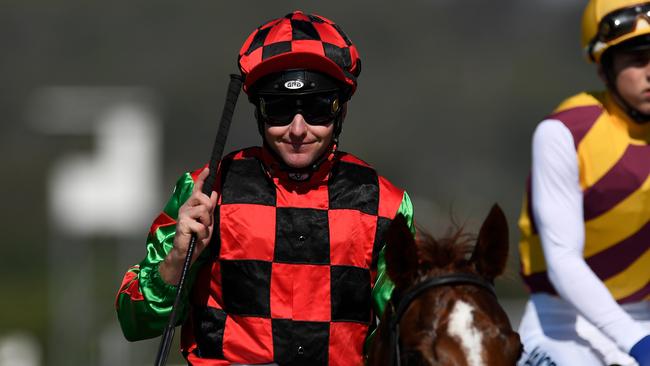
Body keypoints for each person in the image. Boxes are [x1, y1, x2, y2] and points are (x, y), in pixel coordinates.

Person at [115, 10, 414, 365]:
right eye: (280, 109)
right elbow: (134, 320)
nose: (298, 129)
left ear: (342, 110)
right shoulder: (206, 190)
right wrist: (180, 257)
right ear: (258, 111)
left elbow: (407, 328)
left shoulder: (387, 205)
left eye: (317, 107)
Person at [517, 1, 650, 365]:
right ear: (605, 69)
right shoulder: (564, 133)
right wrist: (638, 343)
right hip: (563, 325)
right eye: (638, 59)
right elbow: (563, 260)